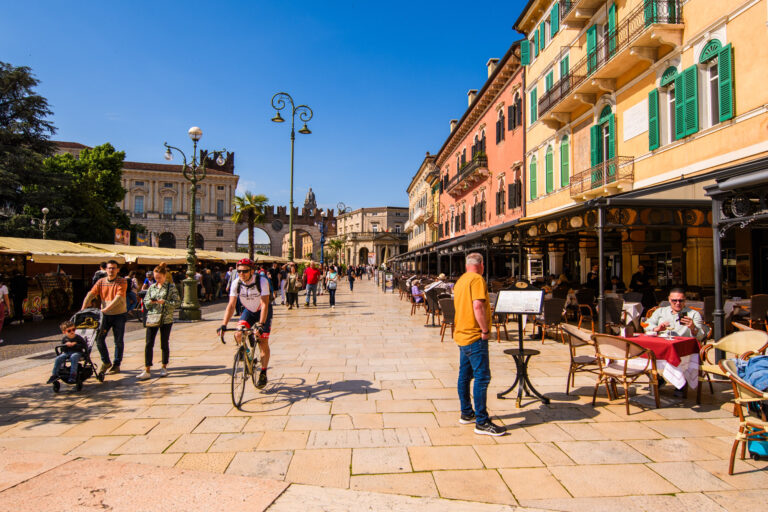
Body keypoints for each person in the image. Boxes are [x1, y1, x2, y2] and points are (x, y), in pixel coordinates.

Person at [452, 253, 505, 436]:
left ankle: (466, 413)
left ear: (467, 265)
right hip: (475, 335)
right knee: (482, 378)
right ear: (481, 265)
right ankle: (482, 421)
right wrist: (485, 330)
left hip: (461, 334)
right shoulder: (477, 280)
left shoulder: (460, 281)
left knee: (464, 376)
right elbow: (478, 306)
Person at [218, 258, 273, 388]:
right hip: (248, 310)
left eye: (244, 271)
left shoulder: (262, 281)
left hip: (262, 311)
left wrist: (261, 324)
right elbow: (231, 305)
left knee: (263, 341)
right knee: (238, 334)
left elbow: (265, 304)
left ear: (252, 271)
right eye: (239, 271)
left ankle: (263, 372)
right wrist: (223, 325)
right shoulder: (236, 283)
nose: (241, 274)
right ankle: (248, 353)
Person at [81, 259, 127, 374]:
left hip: (119, 315)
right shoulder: (101, 282)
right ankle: (106, 361)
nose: (111, 270)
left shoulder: (122, 281)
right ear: (105, 269)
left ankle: (116, 364)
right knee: (99, 338)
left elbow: (119, 298)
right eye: (109, 268)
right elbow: (91, 294)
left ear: (117, 270)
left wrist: (105, 309)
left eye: (113, 268)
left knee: (118, 340)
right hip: (105, 315)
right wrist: (83, 308)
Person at [138, 263, 181, 380]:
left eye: (159, 278)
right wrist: (150, 302)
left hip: (166, 318)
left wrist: (165, 302)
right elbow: (146, 301)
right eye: (155, 278)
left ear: (164, 276)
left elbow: (177, 303)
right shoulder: (151, 287)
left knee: (164, 343)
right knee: (148, 343)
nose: (157, 280)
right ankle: (147, 368)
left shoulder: (170, 287)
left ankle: (164, 366)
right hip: (152, 317)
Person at [0, 276, 9, 344]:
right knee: (0, 321)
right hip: (0, 304)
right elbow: (6, 299)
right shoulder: (4, 287)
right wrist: (8, 308)